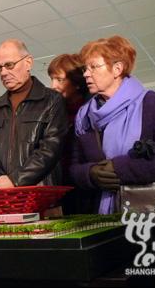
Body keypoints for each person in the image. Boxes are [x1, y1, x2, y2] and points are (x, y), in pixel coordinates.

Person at [70, 35, 155, 285]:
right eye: (85, 68)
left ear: (117, 69)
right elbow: (73, 167)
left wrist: (120, 168)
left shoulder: (152, 103)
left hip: (148, 218)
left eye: (94, 66)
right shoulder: (84, 116)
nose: (86, 74)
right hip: (103, 219)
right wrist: (91, 174)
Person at [0, 39, 68, 190]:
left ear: (28, 63)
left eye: (9, 65)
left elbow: (51, 148)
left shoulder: (52, 101)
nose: (4, 72)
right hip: (3, 198)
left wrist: (15, 181)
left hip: (42, 197)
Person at [47, 54, 92, 214]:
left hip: (90, 183)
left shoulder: (93, 108)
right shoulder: (55, 111)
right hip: (65, 185)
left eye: (59, 80)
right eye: (52, 79)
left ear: (77, 81)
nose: (53, 85)